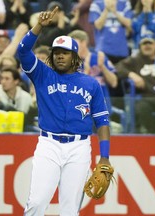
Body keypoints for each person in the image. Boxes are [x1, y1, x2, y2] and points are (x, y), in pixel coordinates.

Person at [17, 7, 112, 215]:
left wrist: (104, 156)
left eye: (65, 53)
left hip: (79, 147)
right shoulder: (42, 74)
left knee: (70, 210)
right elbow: (22, 52)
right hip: (49, 144)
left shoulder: (91, 84)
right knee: (37, 202)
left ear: (74, 56)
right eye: (56, 53)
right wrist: (39, 26)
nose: (60, 56)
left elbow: (102, 121)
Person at [115, 36, 155, 134]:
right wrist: (131, 74)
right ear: (140, 47)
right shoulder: (135, 60)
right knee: (141, 107)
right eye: (144, 44)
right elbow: (118, 67)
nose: (147, 46)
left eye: (150, 43)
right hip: (147, 97)